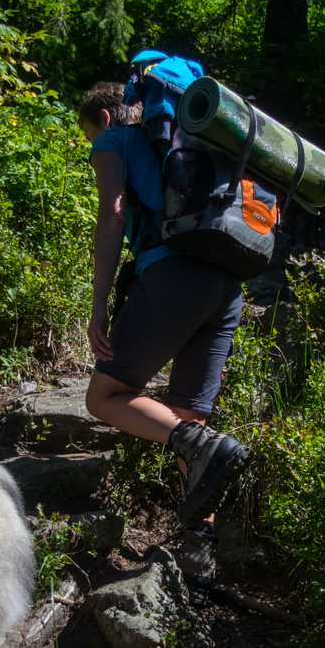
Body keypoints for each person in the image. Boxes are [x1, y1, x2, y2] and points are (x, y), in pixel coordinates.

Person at [78, 81, 249, 602]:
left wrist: (100, 299)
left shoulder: (115, 138)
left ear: (105, 116)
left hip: (173, 275)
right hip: (227, 277)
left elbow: (112, 214)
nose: (92, 144)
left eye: (89, 134)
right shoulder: (194, 136)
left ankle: (208, 448)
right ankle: (199, 561)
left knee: (102, 398)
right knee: (185, 415)